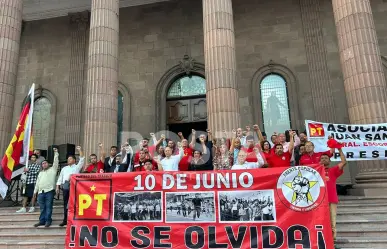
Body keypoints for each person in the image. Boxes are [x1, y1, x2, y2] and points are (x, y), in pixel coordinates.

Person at [320, 147, 347, 249]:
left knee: (332, 221)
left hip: (331, 199)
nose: (323, 159)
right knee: (321, 221)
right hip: (320, 201)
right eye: (322, 158)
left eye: (326, 158)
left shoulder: (333, 170)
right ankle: (323, 241)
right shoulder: (315, 171)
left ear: (329, 160)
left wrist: (339, 150)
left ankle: (332, 242)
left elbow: (344, 162)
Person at [56, 146, 85, 227]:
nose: (68, 160)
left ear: (74, 160)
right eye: (68, 159)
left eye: (70, 159)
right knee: (65, 204)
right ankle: (65, 220)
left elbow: (82, 159)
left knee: (74, 203)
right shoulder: (64, 168)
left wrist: (80, 150)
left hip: (74, 186)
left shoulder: (77, 167)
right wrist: (57, 186)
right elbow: (60, 177)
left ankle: (74, 220)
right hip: (65, 186)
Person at [33, 148, 59, 227]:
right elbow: (37, 183)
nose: (44, 164)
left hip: (49, 191)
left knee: (48, 207)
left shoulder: (53, 169)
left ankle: (48, 221)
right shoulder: (40, 173)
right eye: (43, 164)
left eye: (45, 163)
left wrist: (56, 153)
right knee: (42, 208)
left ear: (48, 164)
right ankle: (42, 221)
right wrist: (35, 192)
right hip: (41, 192)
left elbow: (56, 162)